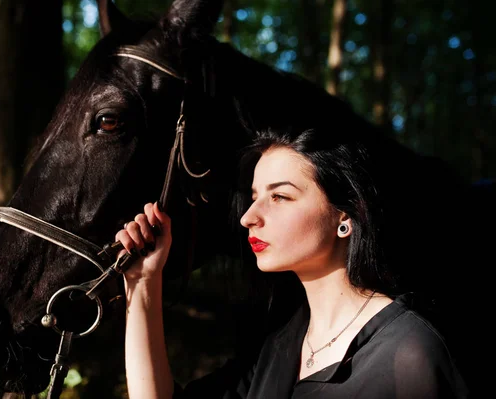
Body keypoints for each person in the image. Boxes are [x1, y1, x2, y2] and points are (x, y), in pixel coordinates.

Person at [115, 128, 469, 398]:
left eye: (280, 196)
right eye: (255, 197)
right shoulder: (279, 346)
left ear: (344, 217)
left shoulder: (409, 352)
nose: (249, 217)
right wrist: (143, 281)